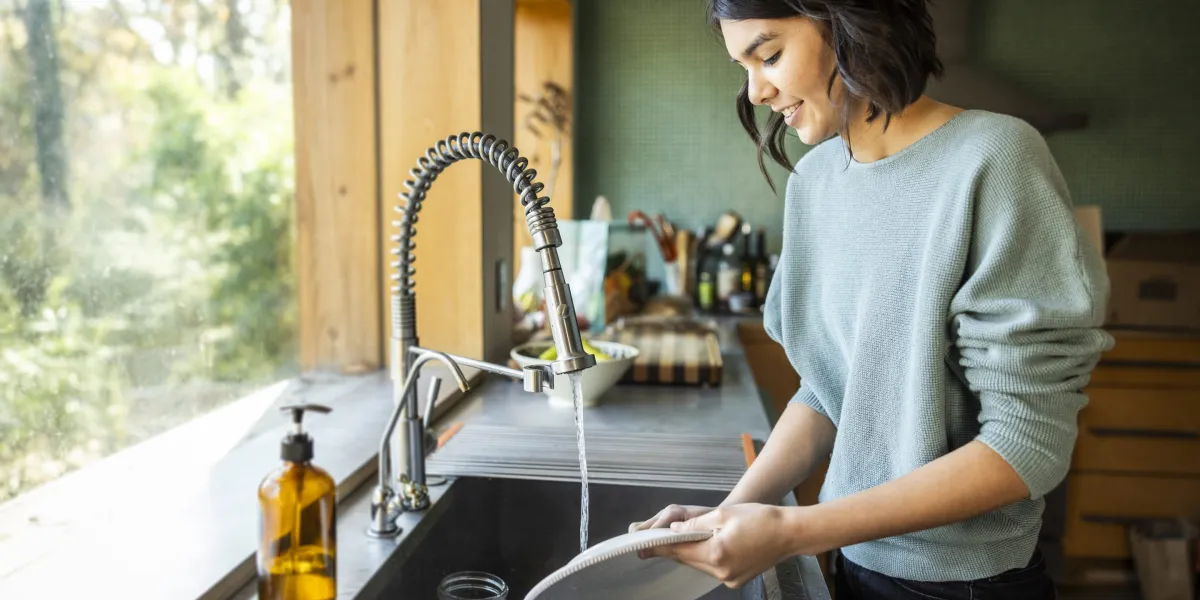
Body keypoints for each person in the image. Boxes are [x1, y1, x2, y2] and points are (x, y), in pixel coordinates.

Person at [631, 1, 1114, 598]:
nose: (755, 91)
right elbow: (830, 391)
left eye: (771, 55)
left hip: (967, 585)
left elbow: (1026, 444)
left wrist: (791, 529)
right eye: (743, 67)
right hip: (854, 567)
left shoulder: (994, 159)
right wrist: (725, 515)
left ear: (850, 25)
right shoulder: (815, 183)